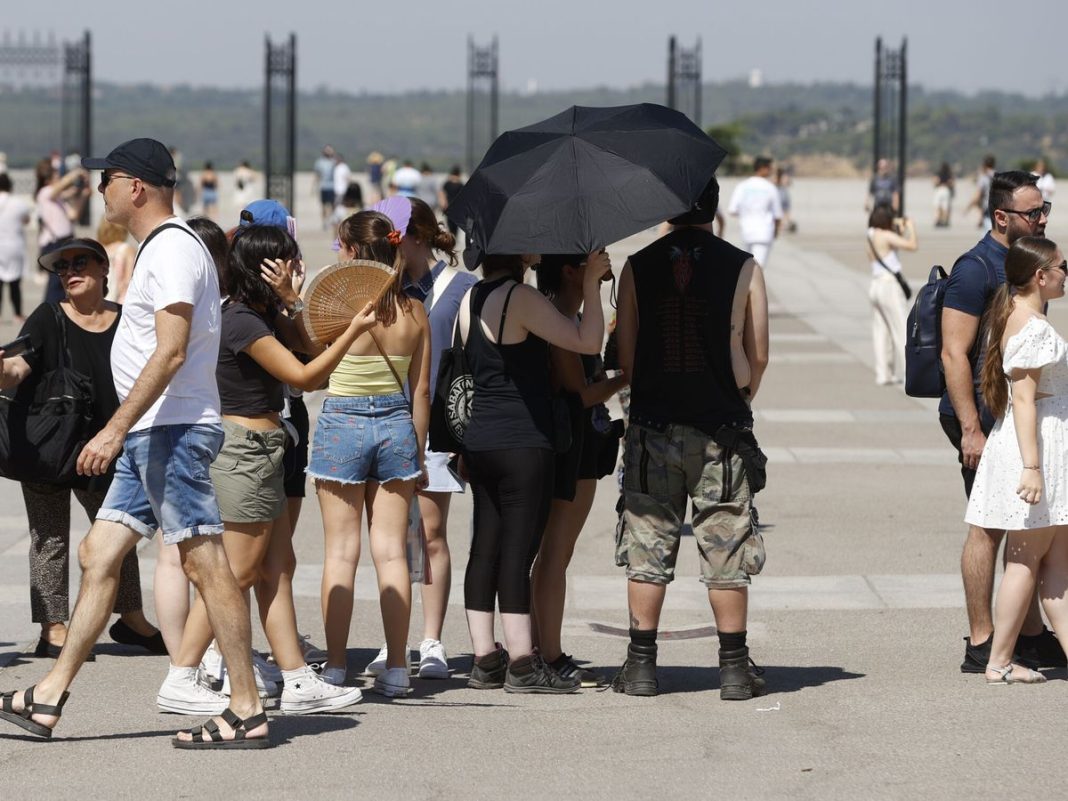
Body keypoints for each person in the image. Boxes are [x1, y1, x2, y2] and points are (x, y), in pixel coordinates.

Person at [0, 138, 268, 748]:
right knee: (98, 555)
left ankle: (247, 706)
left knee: (206, 563)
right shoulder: (158, 249)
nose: (99, 191)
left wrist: (114, 427)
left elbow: (171, 350)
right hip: (151, 434)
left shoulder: (172, 249)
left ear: (136, 186)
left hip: (168, 430)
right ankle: (47, 698)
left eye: (106, 180)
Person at [160, 223, 373, 715]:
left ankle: (297, 677)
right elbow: (308, 374)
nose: (298, 267)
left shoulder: (264, 313)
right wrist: (356, 331)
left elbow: (309, 345)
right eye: (289, 260)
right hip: (244, 452)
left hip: (265, 447)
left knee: (276, 568)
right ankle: (182, 674)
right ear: (266, 266)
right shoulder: (240, 321)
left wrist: (291, 300)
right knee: (235, 573)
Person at [612, 177, 770, 700]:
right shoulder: (744, 266)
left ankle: (640, 665)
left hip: (652, 425)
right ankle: (732, 668)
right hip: (719, 430)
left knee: (647, 546)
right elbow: (758, 354)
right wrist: (740, 399)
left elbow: (628, 358)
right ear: (715, 207)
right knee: (725, 544)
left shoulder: (637, 266)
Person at [0, 237, 164, 660]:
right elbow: (17, 367)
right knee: (50, 538)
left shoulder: (127, 320)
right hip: (48, 448)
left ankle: (131, 618)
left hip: (105, 446)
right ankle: (53, 628)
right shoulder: (47, 317)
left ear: (105, 269)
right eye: (62, 267)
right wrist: (2, 369)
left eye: (80, 262)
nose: (69, 271)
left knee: (116, 534)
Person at [458, 248, 610, 694]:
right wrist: (590, 289)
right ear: (518, 251)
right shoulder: (519, 297)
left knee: (485, 547)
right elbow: (587, 342)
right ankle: (523, 661)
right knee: (518, 552)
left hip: (480, 436)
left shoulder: (472, 297)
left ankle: (485, 657)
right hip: (522, 439)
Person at [939, 170, 1065, 674]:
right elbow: (954, 353)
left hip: (1014, 416)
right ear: (1001, 217)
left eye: (1044, 210)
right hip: (985, 419)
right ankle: (983, 640)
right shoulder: (975, 269)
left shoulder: (1024, 262)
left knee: (1025, 532)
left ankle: (1027, 636)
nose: (1040, 218)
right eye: (1032, 212)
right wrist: (971, 427)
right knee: (987, 529)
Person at [312, 205, 431, 699]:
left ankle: (337, 666)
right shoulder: (415, 312)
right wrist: (417, 455)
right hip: (397, 427)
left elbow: (314, 368)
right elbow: (420, 392)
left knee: (341, 553)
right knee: (391, 554)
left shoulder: (342, 312)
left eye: (342, 246)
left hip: (343, 421)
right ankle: (399, 666)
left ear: (357, 252)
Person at [362, 196, 477, 680]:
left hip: (438, 428)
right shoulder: (377, 288)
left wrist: (466, 436)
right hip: (384, 422)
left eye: (394, 233)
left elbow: (472, 365)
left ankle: (431, 640)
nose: (388, 243)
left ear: (417, 235)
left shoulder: (461, 287)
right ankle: (396, 642)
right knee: (390, 539)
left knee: (430, 534)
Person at [965, 236, 1068, 684]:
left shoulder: (1015, 315)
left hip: (1041, 444)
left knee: (1055, 564)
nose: (1067, 274)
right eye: (1062, 267)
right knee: (1026, 558)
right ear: (1040, 276)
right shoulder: (1033, 327)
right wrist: (1033, 467)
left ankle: (1005, 659)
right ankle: (999, 661)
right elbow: (1024, 401)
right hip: (1037, 447)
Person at [530, 253, 628, 686]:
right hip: (570, 446)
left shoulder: (566, 314)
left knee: (557, 552)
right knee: (555, 552)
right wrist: (627, 377)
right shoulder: (556, 320)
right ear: (571, 270)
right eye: (594, 256)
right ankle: (547, 653)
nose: (605, 258)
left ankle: (540, 646)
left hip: (577, 443)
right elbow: (582, 394)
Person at [866, 208, 917, 385]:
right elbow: (912, 245)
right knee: (901, 329)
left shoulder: (870, 236)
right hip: (889, 286)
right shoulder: (886, 236)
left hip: (875, 284)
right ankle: (909, 373)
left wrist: (898, 228)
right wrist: (910, 226)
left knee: (881, 331)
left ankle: (883, 373)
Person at [35, 158, 91, 305]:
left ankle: (55, 310)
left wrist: (83, 196)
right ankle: (50, 310)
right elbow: (59, 188)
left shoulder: (57, 198)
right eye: (56, 175)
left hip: (65, 240)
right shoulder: (44, 192)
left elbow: (74, 215)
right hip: (55, 242)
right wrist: (76, 173)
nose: (59, 178)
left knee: (62, 282)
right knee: (56, 283)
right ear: (48, 179)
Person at [727, 156, 783, 268]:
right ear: (763, 168)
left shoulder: (742, 186)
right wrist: (776, 231)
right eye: (770, 168)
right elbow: (777, 215)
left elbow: (732, 210)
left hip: (747, 231)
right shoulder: (770, 187)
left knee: (746, 268)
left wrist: (746, 213)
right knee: (758, 269)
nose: (771, 171)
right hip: (764, 232)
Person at [0, 173, 32, 323]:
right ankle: (17, 314)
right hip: (14, 245)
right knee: (14, 283)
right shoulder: (18, 203)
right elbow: (26, 219)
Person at [96, 219, 136, 303]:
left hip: (101, 300)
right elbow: (129, 280)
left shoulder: (99, 249)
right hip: (120, 300)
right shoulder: (126, 249)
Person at [966, 155, 996, 231]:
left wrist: (968, 207)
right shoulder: (997, 176)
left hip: (987, 208)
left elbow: (978, 194)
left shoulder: (984, 177)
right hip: (997, 206)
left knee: (988, 233)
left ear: (984, 164)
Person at [314, 145, 337, 229]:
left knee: (333, 205)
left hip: (333, 186)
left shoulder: (334, 161)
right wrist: (314, 187)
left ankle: (332, 220)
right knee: (323, 206)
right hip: (323, 186)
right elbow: (317, 175)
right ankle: (324, 222)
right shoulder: (319, 162)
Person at [934, 162, 955, 228]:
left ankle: (938, 220)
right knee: (946, 206)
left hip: (939, 189)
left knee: (938, 206)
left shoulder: (939, 173)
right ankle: (945, 221)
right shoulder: (949, 174)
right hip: (946, 190)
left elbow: (936, 181)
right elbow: (951, 183)